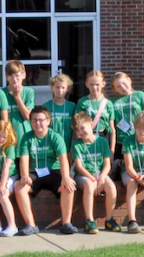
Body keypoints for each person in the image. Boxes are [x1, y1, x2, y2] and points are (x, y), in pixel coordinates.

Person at [16, 107, 77, 235]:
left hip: (54, 171)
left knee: (69, 186)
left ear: (48, 121)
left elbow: (63, 159)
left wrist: (66, 177)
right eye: (34, 120)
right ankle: (31, 225)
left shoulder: (55, 136)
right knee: (19, 187)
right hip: (35, 173)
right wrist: (24, 175)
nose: (38, 123)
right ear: (30, 122)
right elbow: (24, 159)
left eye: (41, 120)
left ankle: (66, 223)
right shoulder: (26, 138)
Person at [70, 113, 117, 234]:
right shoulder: (77, 144)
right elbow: (79, 167)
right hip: (84, 175)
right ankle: (89, 221)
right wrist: (93, 179)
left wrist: (101, 178)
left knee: (111, 187)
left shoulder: (102, 141)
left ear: (91, 125)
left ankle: (109, 219)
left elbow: (107, 164)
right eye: (77, 130)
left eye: (82, 127)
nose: (81, 132)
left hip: (100, 173)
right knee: (90, 186)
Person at [110, 72, 144, 181]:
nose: (122, 87)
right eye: (118, 86)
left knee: (139, 167)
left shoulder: (140, 95)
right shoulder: (112, 102)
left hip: (139, 139)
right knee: (121, 174)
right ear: (115, 89)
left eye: (124, 83)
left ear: (129, 80)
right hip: (121, 142)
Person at [75, 71, 116, 160]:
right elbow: (77, 125)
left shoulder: (108, 103)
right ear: (87, 84)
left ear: (103, 84)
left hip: (104, 136)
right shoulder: (83, 102)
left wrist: (112, 150)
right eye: (91, 84)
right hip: (87, 136)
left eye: (97, 84)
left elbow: (112, 128)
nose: (94, 87)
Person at [42, 74, 78, 148]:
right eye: (57, 87)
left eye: (63, 87)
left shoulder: (72, 106)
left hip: (67, 144)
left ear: (67, 89)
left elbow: (75, 129)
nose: (60, 90)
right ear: (52, 88)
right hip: (50, 144)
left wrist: (72, 148)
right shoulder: (46, 106)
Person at [3, 61, 35, 141]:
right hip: (6, 134)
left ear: (24, 75)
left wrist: (17, 96)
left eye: (17, 76)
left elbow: (27, 116)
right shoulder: (1, 93)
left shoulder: (29, 92)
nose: (14, 79)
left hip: (24, 134)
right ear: (7, 77)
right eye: (11, 76)